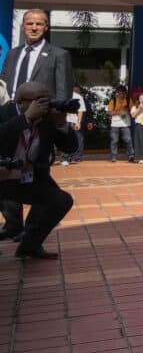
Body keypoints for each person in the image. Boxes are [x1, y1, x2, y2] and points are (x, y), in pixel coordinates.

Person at [0, 82, 77, 259]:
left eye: (47, 99)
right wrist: (25, 119)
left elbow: (71, 148)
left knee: (61, 200)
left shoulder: (47, 120)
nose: (46, 104)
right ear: (20, 102)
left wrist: (61, 124)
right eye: (40, 100)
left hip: (30, 179)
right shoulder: (4, 113)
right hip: (2, 176)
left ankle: (29, 246)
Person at [1, 9, 73, 102]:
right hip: (9, 111)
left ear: (46, 27)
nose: (34, 28)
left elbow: (63, 94)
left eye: (39, 24)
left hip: (41, 113)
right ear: (23, 27)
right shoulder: (12, 54)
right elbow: (3, 85)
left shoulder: (59, 55)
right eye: (29, 24)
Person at [107, 86, 134, 163]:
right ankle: (113, 156)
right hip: (115, 124)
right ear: (117, 93)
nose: (121, 95)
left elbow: (132, 111)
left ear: (125, 93)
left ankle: (131, 155)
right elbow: (109, 112)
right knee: (114, 140)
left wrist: (127, 111)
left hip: (125, 124)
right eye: (119, 93)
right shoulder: (113, 101)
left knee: (128, 139)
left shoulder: (129, 100)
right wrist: (120, 112)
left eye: (123, 93)